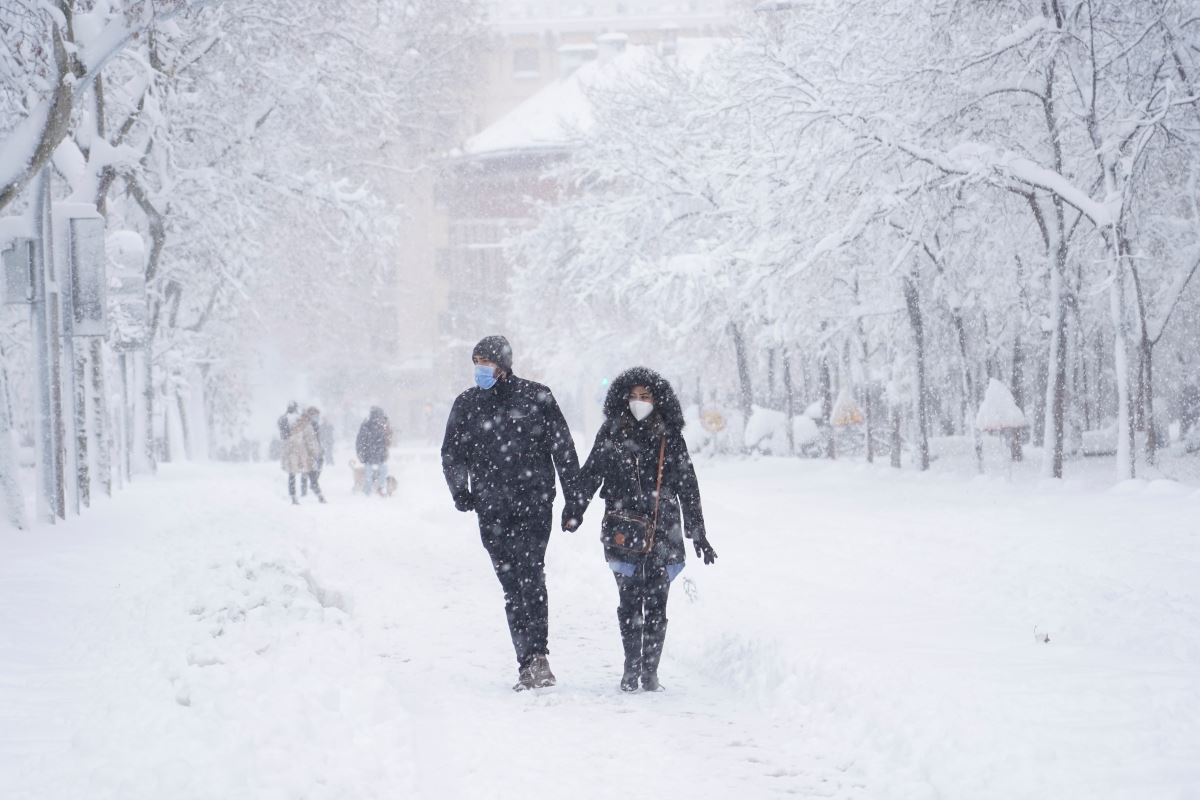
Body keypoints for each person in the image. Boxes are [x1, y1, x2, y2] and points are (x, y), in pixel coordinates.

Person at [441, 335, 581, 691]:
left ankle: (538, 657)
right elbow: (452, 453)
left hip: (533, 505)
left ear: (503, 365)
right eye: (476, 362)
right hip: (491, 510)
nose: (480, 370)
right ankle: (525, 662)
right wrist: (460, 489)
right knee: (511, 585)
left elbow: (563, 448)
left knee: (531, 576)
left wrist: (573, 500)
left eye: (486, 362)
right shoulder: (467, 404)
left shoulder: (537, 397)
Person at [571, 367, 717, 692]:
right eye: (634, 396)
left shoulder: (670, 436)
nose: (639, 402)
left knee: (657, 603)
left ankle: (650, 672)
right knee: (628, 600)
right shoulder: (611, 432)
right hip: (623, 531)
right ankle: (629, 668)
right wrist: (574, 510)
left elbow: (687, 485)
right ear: (624, 398)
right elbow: (591, 473)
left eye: (645, 396)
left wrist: (698, 533)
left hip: (663, 531)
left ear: (657, 399)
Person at [282, 406, 325, 504]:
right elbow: (311, 442)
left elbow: (287, 439)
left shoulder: (294, 423)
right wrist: (317, 452)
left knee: (292, 475)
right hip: (304, 454)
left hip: (292, 453)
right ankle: (319, 495)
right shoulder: (308, 426)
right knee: (312, 474)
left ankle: (293, 496)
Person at [356, 407, 392, 496]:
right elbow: (361, 441)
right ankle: (369, 491)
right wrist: (361, 453)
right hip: (371, 455)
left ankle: (377, 488)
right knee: (371, 474)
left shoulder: (381, 425)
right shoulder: (368, 426)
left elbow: (386, 440)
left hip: (376, 454)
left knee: (381, 471)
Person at [301, 409, 329, 498]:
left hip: (315, 449)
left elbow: (317, 438)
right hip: (306, 450)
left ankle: (313, 483)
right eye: (315, 416)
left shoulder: (316, 425)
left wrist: (320, 447)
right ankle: (305, 490)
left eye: (318, 416)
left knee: (319, 464)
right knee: (305, 470)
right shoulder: (305, 424)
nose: (317, 418)